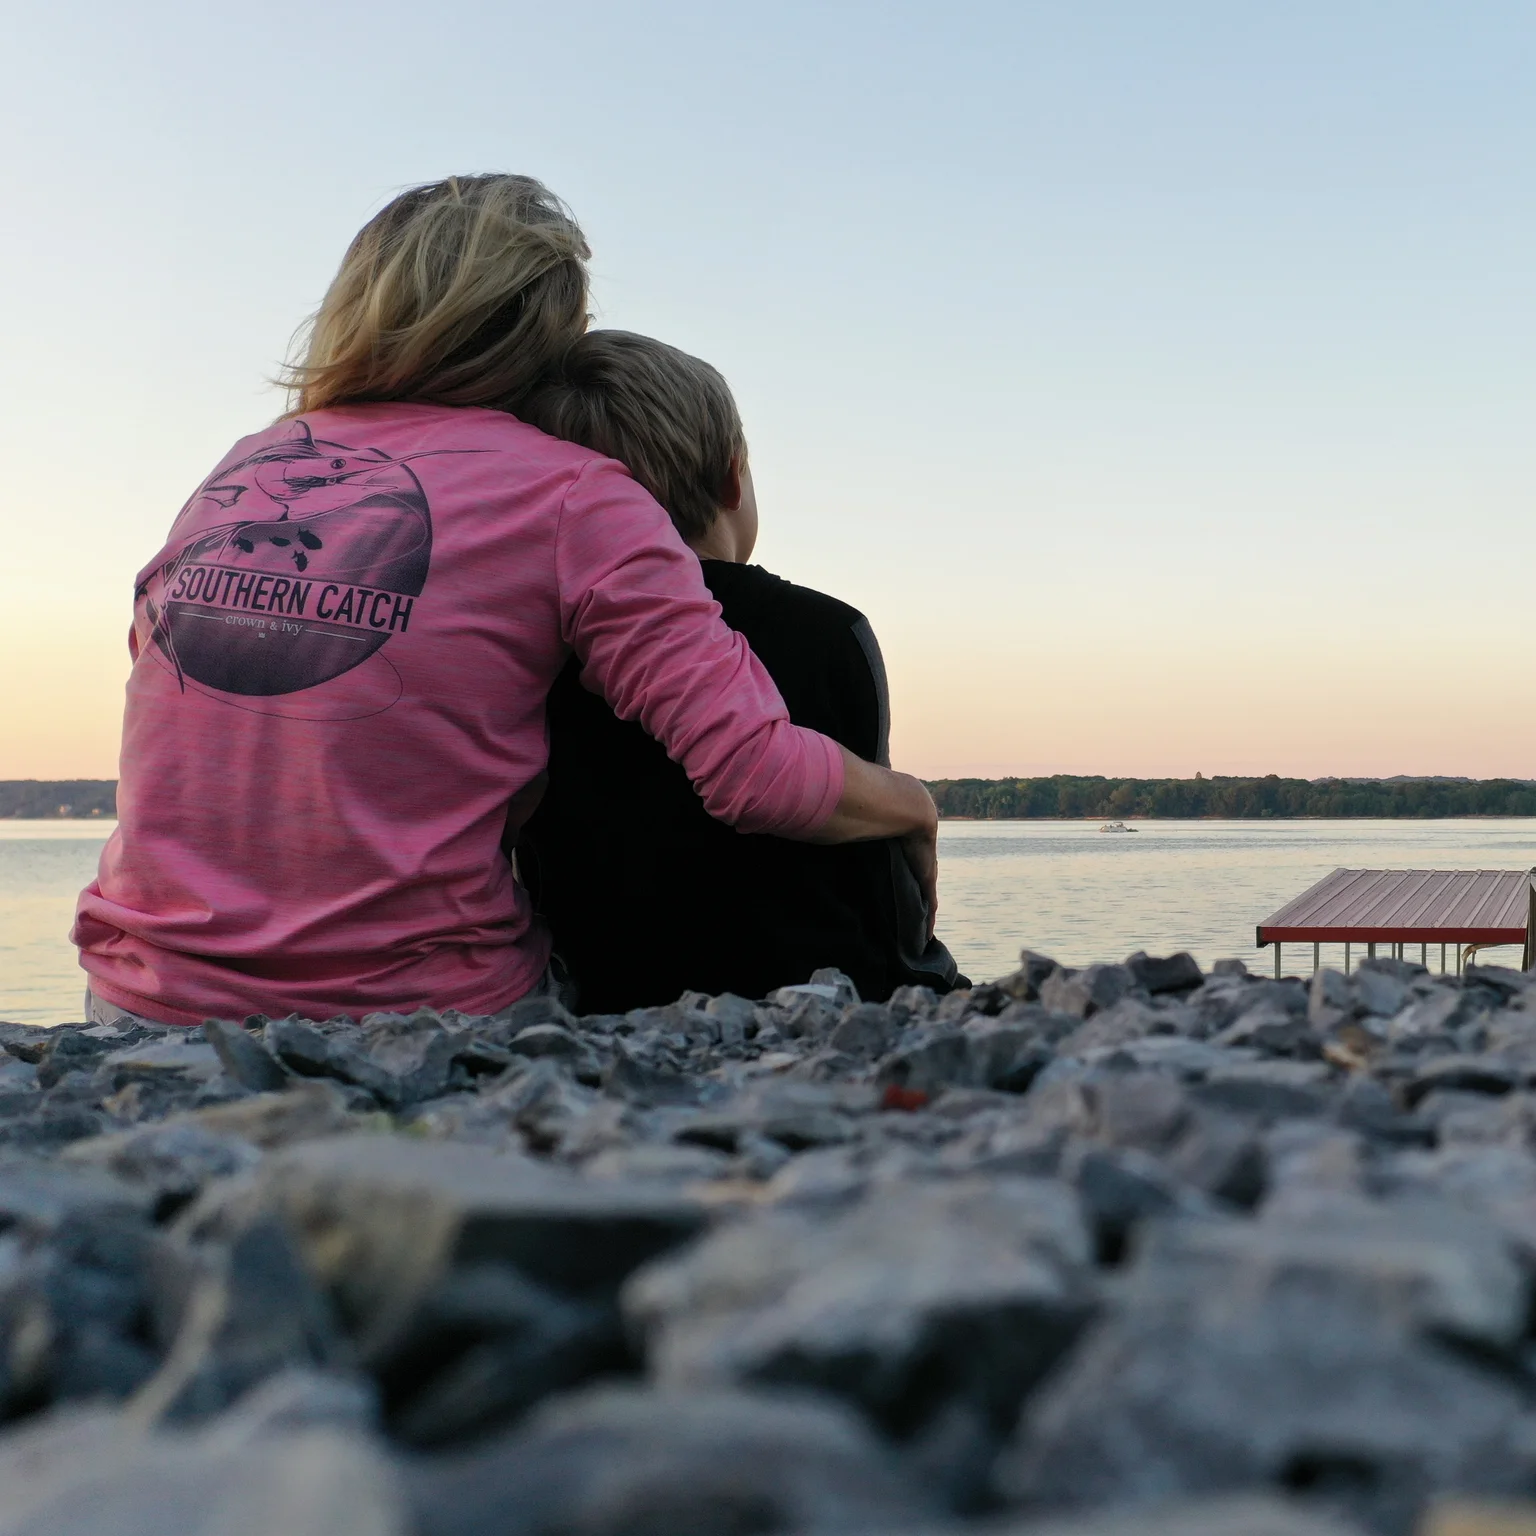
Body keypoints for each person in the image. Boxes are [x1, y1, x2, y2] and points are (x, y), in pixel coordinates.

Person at [73, 174, 938, 1025]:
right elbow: (754, 773)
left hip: (142, 993)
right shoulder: (575, 493)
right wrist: (913, 806)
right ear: (548, 328)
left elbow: (157, 656)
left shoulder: (247, 464)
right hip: (417, 1015)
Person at [511, 330, 960, 1008]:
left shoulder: (540, 649)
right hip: (828, 993)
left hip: (610, 996)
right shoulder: (830, 631)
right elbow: (879, 873)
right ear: (732, 474)